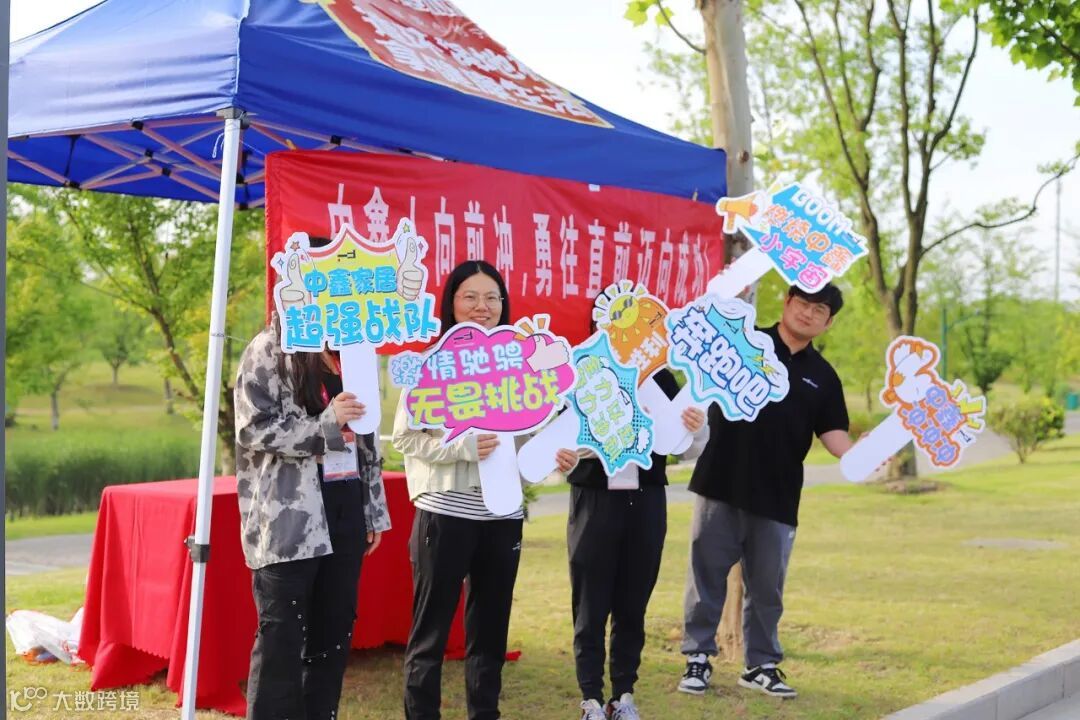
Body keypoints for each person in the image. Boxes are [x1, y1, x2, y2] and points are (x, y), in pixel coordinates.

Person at [677, 283, 854, 700]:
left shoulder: (823, 377)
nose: (808, 313)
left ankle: (760, 665)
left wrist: (866, 456)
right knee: (705, 577)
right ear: (787, 302)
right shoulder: (744, 342)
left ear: (828, 323)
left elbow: (835, 436)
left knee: (767, 588)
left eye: (820, 310)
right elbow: (701, 376)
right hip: (720, 481)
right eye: (803, 303)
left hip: (778, 495)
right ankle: (698, 658)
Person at [234, 316, 391, 720]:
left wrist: (373, 508)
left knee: (332, 637)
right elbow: (253, 428)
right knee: (281, 638)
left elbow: (368, 438)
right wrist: (326, 423)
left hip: (345, 509)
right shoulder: (270, 346)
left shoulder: (353, 348)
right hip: (289, 520)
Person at [394, 260, 522, 720]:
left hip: (504, 516)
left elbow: (529, 433)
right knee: (430, 634)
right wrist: (460, 448)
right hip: (445, 514)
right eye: (471, 297)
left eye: (492, 298)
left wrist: (554, 454)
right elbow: (406, 438)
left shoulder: (518, 365)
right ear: (452, 303)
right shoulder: (430, 364)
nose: (482, 307)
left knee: (490, 634)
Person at [555, 363, 708, 720]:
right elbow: (559, 440)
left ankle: (623, 695)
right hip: (594, 496)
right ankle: (591, 699)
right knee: (590, 603)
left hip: (646, 497)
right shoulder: (584, 372)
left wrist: (697, 429)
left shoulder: (661, 377)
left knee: (633, 603)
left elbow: (688, 448)